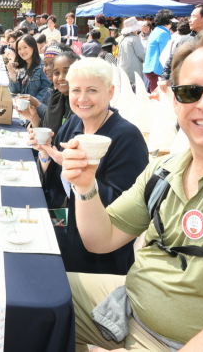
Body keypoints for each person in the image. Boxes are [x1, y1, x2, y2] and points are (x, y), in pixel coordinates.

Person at [61, 28, 203, 351]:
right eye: (190, 92)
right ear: (176, 102)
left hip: (179, 342)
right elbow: (101, 239)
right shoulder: (165, 170)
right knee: (29, 297)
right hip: (126, 306)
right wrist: (85, 186)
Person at [29, 57, 147, 274]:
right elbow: (56, 182)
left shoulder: (127, 137)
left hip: (97, 259)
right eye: (76, 90)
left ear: (110, 92)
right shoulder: (74, 123)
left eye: (92, 90)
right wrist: (47, 157)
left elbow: (127, 208)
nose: (82, 99)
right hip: (63, 229)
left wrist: (83, 179)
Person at [18, 46, 77, 128]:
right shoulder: (56, 95)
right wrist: (33, 120)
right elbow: (50, 126)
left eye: (66, 72)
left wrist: (36, 104)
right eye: (56, 73)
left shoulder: (78, 103)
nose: (60, 77)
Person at [160, 4, 203, 90]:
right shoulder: (185, 39)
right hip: (182, 84)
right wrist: (165, 77)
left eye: (193, 16)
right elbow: (172, 58)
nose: (189, 20)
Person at [8, 34, 51, 101]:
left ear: (33, 47)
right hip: (23, 107)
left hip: (37, 109)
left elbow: (47, 90)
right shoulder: (21, 66)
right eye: (19, 49)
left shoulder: (43, 66)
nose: (22, 51)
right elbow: (14, 91)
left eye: (25, 47)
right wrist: (12, 73)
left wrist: (34, 104)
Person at [143, 9, 174, 92]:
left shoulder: (156, 30)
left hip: (151, 67)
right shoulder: (163, 33)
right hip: (157, 68)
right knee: (158, 94)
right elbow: (166, 53)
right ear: (167, 21)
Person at [116, 17, 146, 88]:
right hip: (134, 71)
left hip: (122, 69)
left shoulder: (122, 39)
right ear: (135, 28)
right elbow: (141, 55)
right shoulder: (135, 39)